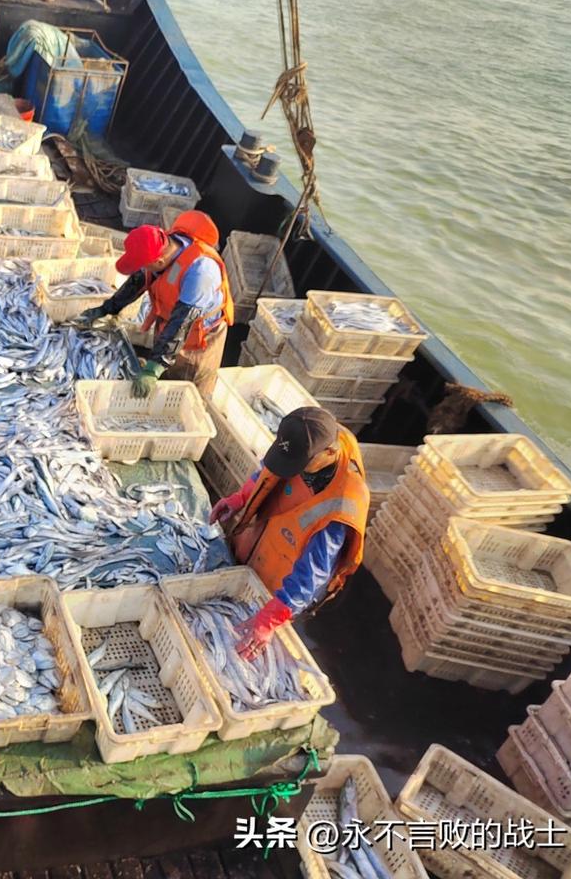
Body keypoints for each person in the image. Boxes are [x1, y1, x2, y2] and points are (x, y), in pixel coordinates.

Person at [208, 407, 370, 660]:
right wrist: (239, 499)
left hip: (278, 588)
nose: (290, 469)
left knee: (249, 641)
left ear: (329, 453)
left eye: (297, 464)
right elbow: (266, 472)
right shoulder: (301, 442)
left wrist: (268, 620)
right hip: (257, 545)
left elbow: (313, 574)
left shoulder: (342, 504)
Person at [74, 210, 233, 399]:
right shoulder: (162, 246)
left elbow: (181, 324)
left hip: (199, 336)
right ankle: (161, 374)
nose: (143, 269)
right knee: (164, 370)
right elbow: (138, 280)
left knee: (187, 388)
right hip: (171, 320)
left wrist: (153, 368)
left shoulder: (200, 273)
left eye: (145, 265)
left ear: (158, 261)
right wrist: (106, 308)